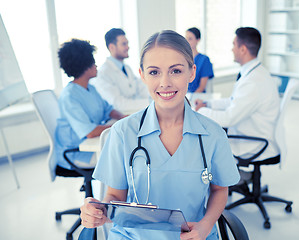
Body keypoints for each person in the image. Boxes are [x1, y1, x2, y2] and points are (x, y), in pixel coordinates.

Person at [80, 30, 240, 239]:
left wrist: (206, 225)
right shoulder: (122, 132)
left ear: (191, 73)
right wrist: (98, 212)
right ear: (142, 75)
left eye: (175, 71)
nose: (165, 82)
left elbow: (220, 190)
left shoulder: (213, 134)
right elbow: (114, 197)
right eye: (154, 72)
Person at [195, 27, 280, 170]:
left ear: (243, 49)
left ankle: (229, 181)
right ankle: (236, 178)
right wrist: (208, 104)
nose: (232, 49)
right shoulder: (256, 72)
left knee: (204, 143)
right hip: (254, 131)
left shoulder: (253, 82)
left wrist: (200, 112)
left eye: (234, 44)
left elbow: (229, 118)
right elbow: (234, 100)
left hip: (253, 142)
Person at [55, 39, 126, 170]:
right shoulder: (69, 96)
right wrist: (120, 125)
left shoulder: (90, 88)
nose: (96, 66)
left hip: (93, 145)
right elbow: (90, 132)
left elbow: (108, 110)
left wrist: (123, 118)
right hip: (79, 153)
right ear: (84, 66)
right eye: (93, 62)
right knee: (124, 157)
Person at [91, 28, 150, 114]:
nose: (128, 47)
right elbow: (118, 104)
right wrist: (150, 102)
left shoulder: (127, 68)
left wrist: (157, 97)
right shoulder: (103, 73)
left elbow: (142, 89)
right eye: (124, 44)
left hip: (135, 112)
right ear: (111, 47)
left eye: (127, 43)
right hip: (120, 119)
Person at [185, 27, 214, 93]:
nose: (186, 42)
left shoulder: (204, 60)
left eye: (190, 39)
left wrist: (189, 101)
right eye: (185, 38)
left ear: (198, 40)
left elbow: (201, 87)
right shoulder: (182, 59)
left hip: (196, 98)